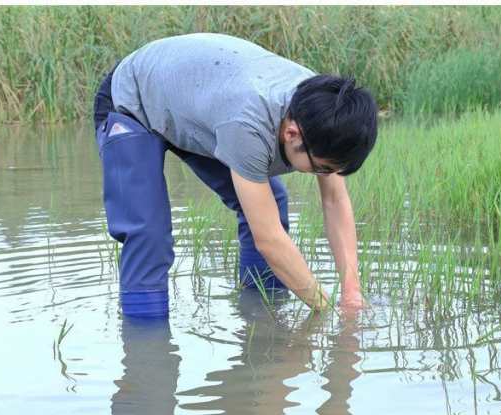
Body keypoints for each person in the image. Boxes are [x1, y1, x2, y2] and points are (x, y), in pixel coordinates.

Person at [93, 33, 378, 317]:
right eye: (322, 169)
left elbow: (334, 201)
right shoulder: (247, 125)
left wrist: (351, 289)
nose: (326, 176)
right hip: (132, 99)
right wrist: (328, 312)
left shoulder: (328, 112)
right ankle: (146, 344)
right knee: (148, 234)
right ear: (292, 133)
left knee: (270, 200)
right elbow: (268, 238)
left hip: (193, 100)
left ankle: (262, 314)